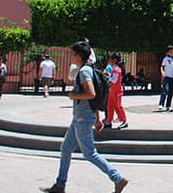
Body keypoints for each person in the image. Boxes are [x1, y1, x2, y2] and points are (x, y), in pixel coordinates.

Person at [40, 41, 128, 193]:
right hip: (80, 118)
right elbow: (95, 98)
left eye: (74, 53)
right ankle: (60, 185)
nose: (72, 56)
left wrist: (74, 95)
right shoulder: (88, 69)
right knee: (66, 149)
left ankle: (117, 178)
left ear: (79, 56)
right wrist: (98, 118)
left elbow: (92, 94)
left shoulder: (84, 72)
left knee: (89, 153)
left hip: (83, 119)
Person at [104, 53, 128, 130]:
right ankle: (109, 120)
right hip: (112, 90)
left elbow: (114, 80)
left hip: (117, 91)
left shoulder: (116, 70)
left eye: (110, 59)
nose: (109, 61)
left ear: (114, 60)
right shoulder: (114, 69)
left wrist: (107, 75)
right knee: (110, 105)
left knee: (118, 106)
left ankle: (124, 121)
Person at [158, 46, 173, 111]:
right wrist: (162, 73)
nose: (172, 52)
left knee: (171, 92)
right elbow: (162, 66)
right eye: (171, 51)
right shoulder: (166, 59)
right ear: (168, 53)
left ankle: (168, 105)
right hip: (167, 77)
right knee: (165, 90)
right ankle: (161, 104)